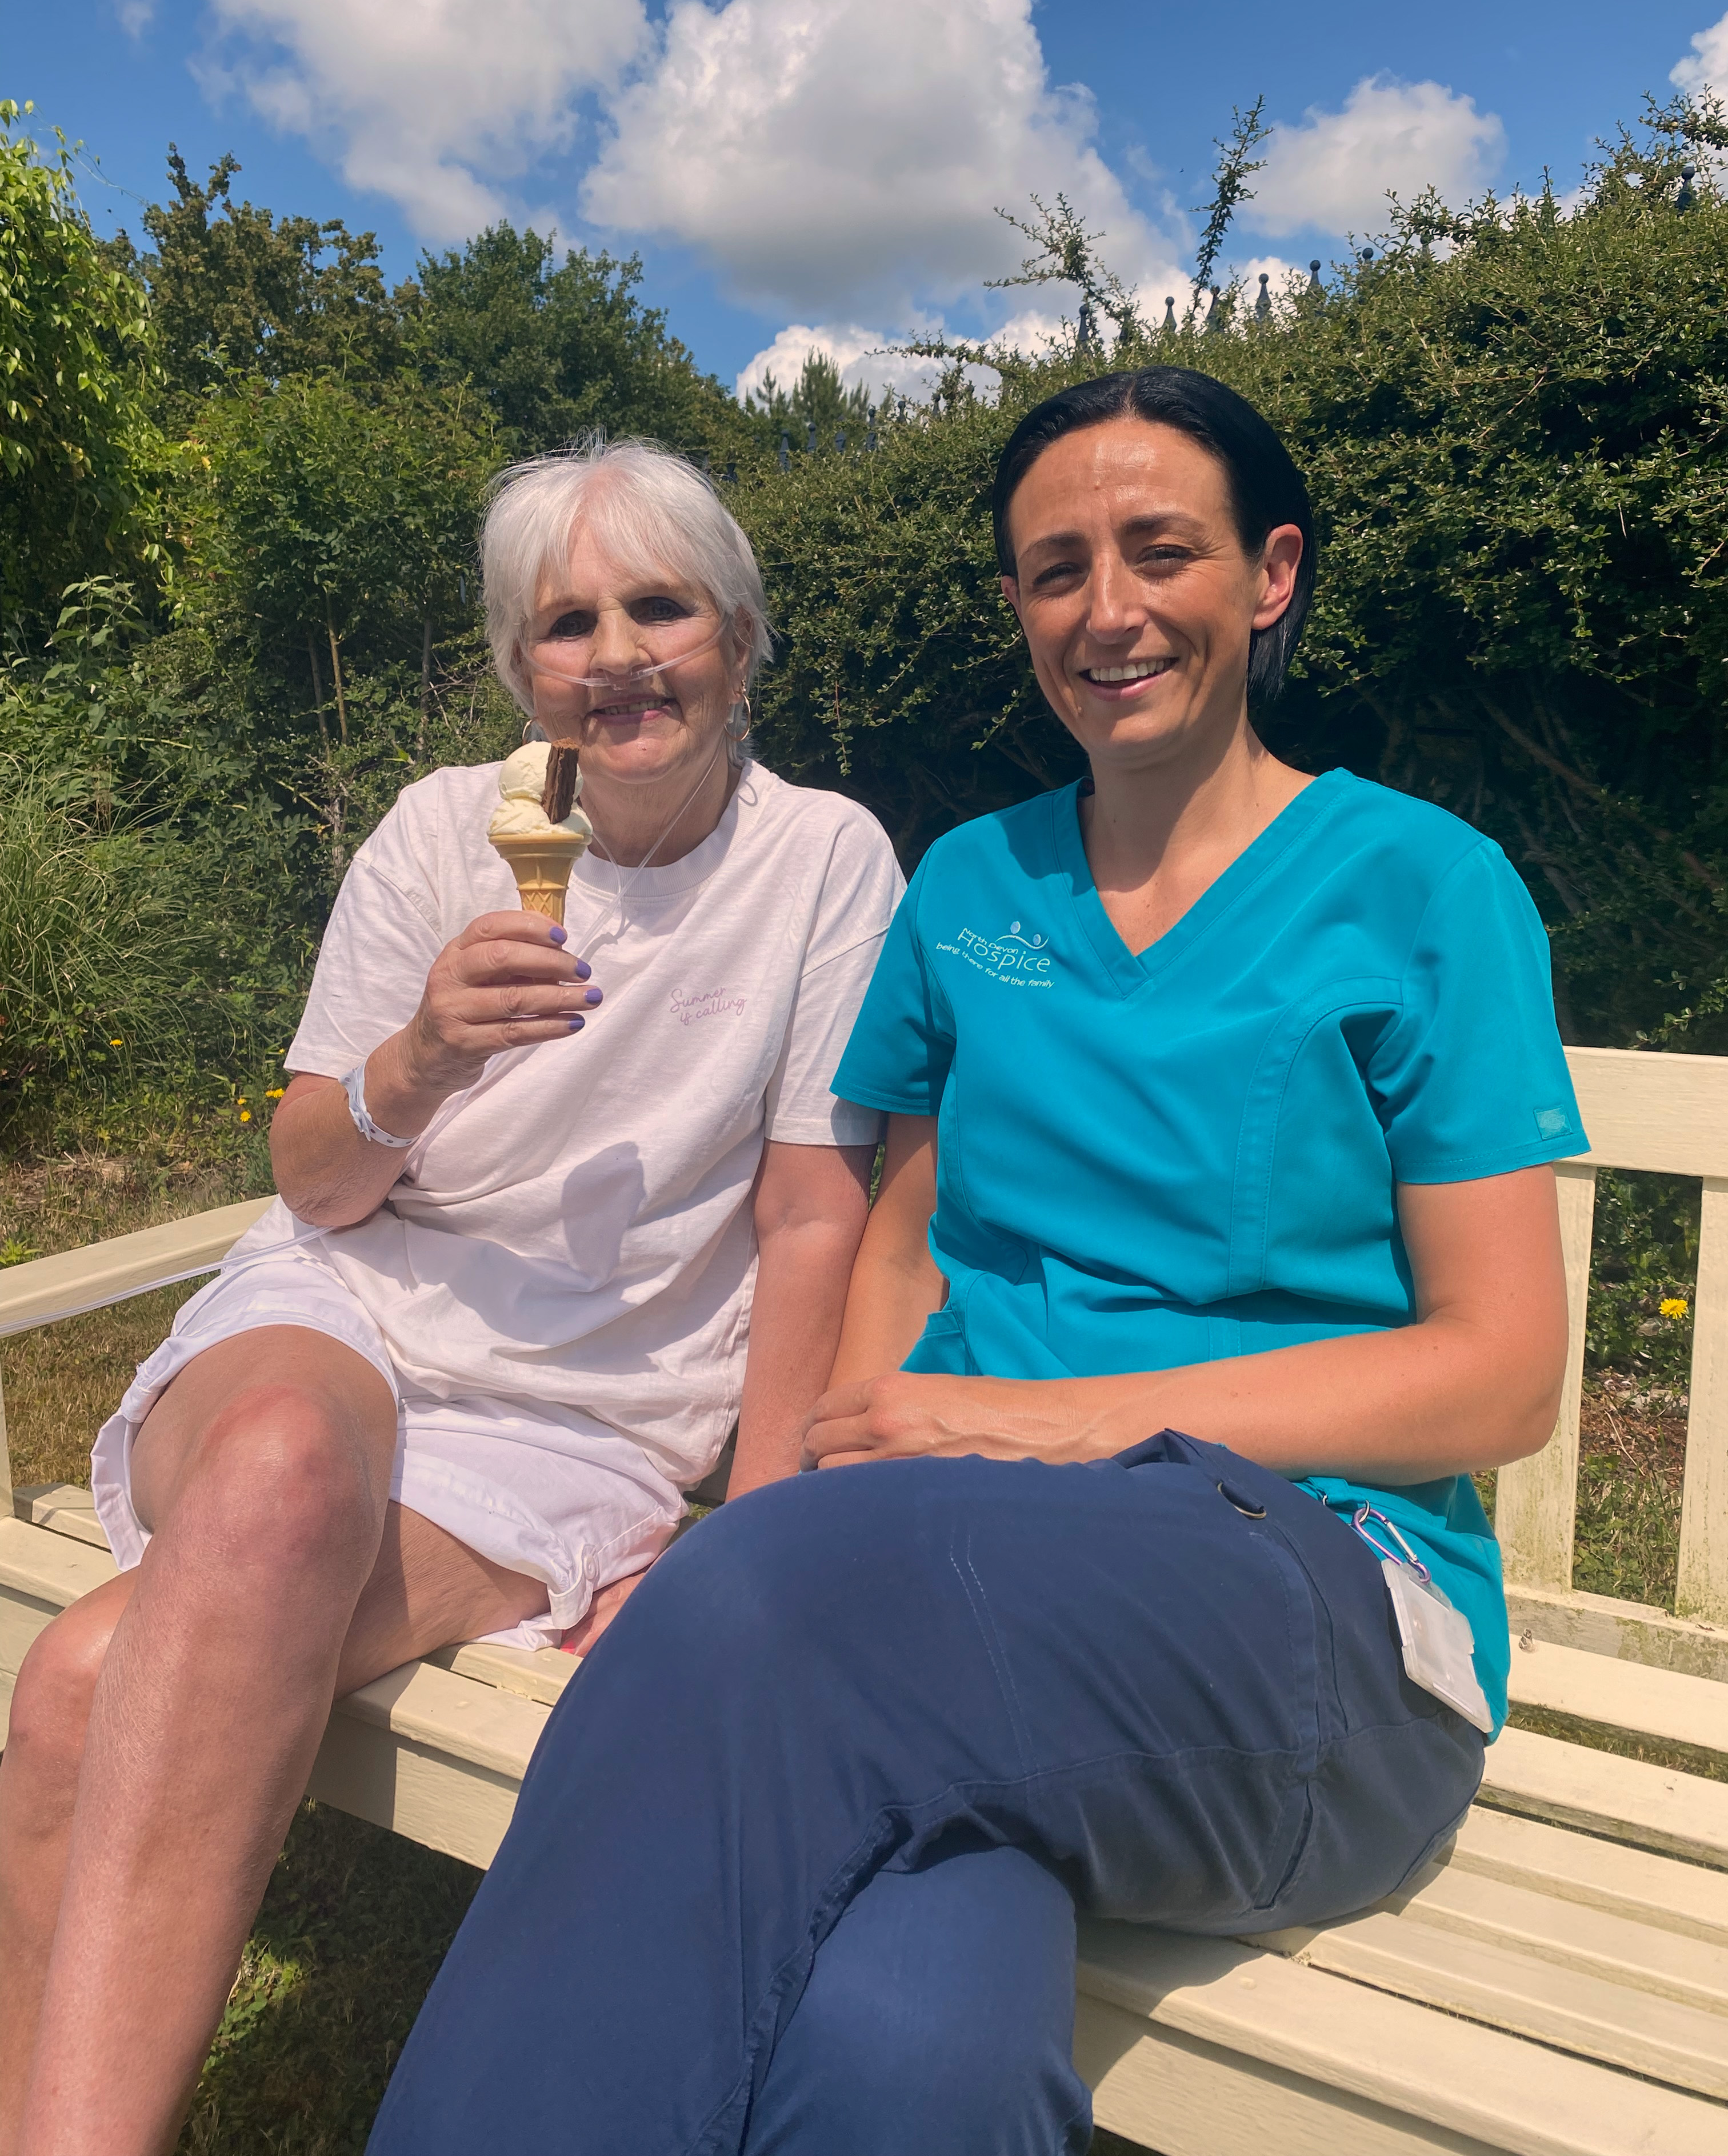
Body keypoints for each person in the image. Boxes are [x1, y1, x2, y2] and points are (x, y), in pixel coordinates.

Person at [371, 364, 1587, 2156]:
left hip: (1310, 1600)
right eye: (1052, 569)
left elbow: (1500, 1372)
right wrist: (823, 1464)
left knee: (756, 1612)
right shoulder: (968, 892)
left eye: (1158, 551)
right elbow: (908, 1241)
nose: (1106, 610)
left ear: (1270, 576)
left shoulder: (1424, 888)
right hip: (958, 1604)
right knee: (898, 2048)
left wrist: (1056, 1428)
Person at [0, 440, 903, 2156]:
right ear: (516, 669)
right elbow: (314, 1180)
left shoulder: (827, 865)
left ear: (740, 632)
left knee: (77, 1684)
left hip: (584, 1413)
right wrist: (413, 1058)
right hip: (342, 1309)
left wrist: (752, 1540)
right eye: (566, 621)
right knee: (271, 1469)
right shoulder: (444, 830)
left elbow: (807, 1222)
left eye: (661, 606)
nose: (617, 654)